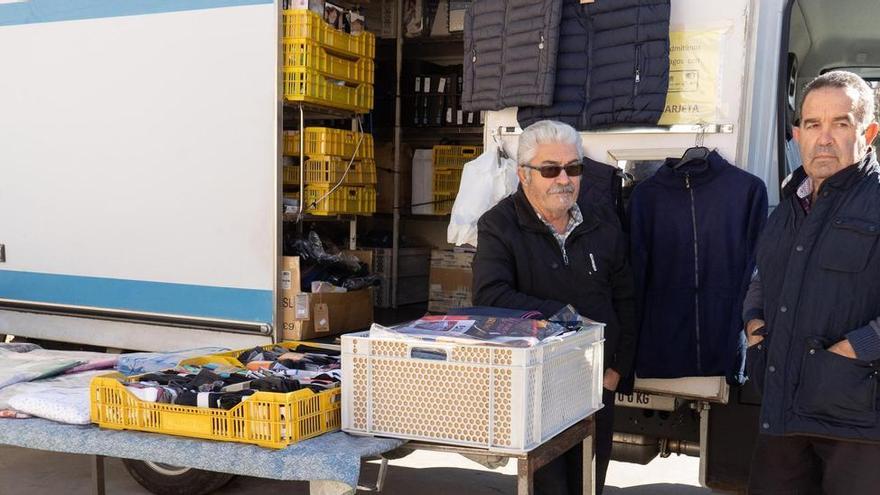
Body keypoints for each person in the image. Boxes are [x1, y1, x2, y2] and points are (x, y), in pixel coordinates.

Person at [472, 120, 637, 495]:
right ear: (524, 174)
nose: (564, 179)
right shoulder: (499, 225)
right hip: (538, 387)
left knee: (589, 483)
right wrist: (562, 314)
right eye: (550, 169)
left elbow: (626, 299)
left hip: (595, 383)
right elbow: (490, 297)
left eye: (573, 168)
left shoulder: (602, 225)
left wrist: (617, 370)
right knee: (549, 486)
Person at [743, 70, 880, 493]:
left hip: (857, 424)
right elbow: (763, 276)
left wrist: (858, 347)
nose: (824, 138)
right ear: (797, 133)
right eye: (813, 124)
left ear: (868, 132)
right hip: (782, 409)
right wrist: (754, 327)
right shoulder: (788, 205)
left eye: (840, 123)